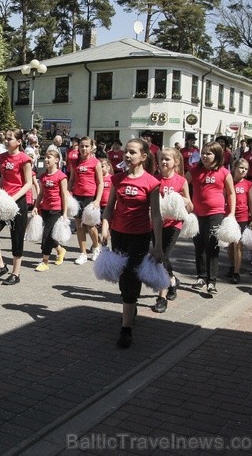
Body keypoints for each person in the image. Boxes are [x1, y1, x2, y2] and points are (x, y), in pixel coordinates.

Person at [101, 138, 163, 348]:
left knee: (131, 277)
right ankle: (131, 305)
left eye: (132, 152)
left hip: (140, 236)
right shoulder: (117, 179)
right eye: (126, 151)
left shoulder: (152, 183)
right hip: (119, 235)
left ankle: (126, 329)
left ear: (143, 157)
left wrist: (158, 245)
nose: (127, 155)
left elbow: (155, 216)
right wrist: (105, 227)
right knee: (122, 277)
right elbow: (109, 207)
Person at [186, 142, 235, 295]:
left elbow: (231, 193)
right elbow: (181, 184)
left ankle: (211, 281)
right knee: (199, 245)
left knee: (212, 245)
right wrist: (186, 201)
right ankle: (201, 277)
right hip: (197, 214)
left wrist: (231, 213)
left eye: (209, 153)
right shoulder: (194, 170)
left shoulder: (224, 172)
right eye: (204, 153)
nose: (205, 156)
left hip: (216, 213)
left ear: (217, 156)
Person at [0, 128, 32, 285]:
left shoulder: (24, 159)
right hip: (3, 201)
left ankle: (16, 273)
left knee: (16, 237)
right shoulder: (2, 157)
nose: (6, 141)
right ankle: (1, 266)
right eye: (5, 138)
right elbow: (4, 177)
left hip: (17, 203)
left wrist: (13, 198)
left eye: (10, 138)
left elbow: (28, 184)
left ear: (19, 142)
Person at [153, 148, 192, 313]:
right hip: (156, 224)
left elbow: (190, 206)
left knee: (162, 257)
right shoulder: (154, 179)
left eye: (167, 159)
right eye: (162, 159)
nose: (163, 162)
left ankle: (161, 298)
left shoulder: (181, 181)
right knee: (159, 257)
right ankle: (173, 281)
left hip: (174, 224)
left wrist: (181, 199)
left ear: (175, 162)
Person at [69, 136, 104, 264]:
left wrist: (97, 200)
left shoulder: (96, 163)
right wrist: (68, 192)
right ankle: (82, 253)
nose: (84, 148)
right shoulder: (74, 162)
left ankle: (96, 247)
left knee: (91, 227)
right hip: (77, 197)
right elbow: (72, 179)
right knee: (79, 227)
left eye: (86, 146)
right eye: (82, 146)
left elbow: (100, 183)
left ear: (91, 147)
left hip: (91, 197)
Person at [32, 149, 68, 271]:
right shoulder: (43, 176)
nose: (46, 159)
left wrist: (65, 213)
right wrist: (36, 206)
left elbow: (64, 195)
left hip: (56, 210)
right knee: (50, 235)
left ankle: (45, 262)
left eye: (49, 157)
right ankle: (60, 250)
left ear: (57, 160)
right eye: (46, 157)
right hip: (45, 209)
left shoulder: (61, 176)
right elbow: (41, 194)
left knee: (47, 235)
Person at [225, 159, 252, 284]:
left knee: (238, 244)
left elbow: (251, 202)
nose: (243, 170)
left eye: (246, 169)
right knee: (230, 244)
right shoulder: (227, 181)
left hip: (242, 217)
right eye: (241, 167)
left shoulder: (248, 184)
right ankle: (232, 266)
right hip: (229, 216)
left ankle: (237, 272)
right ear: (234, 167)